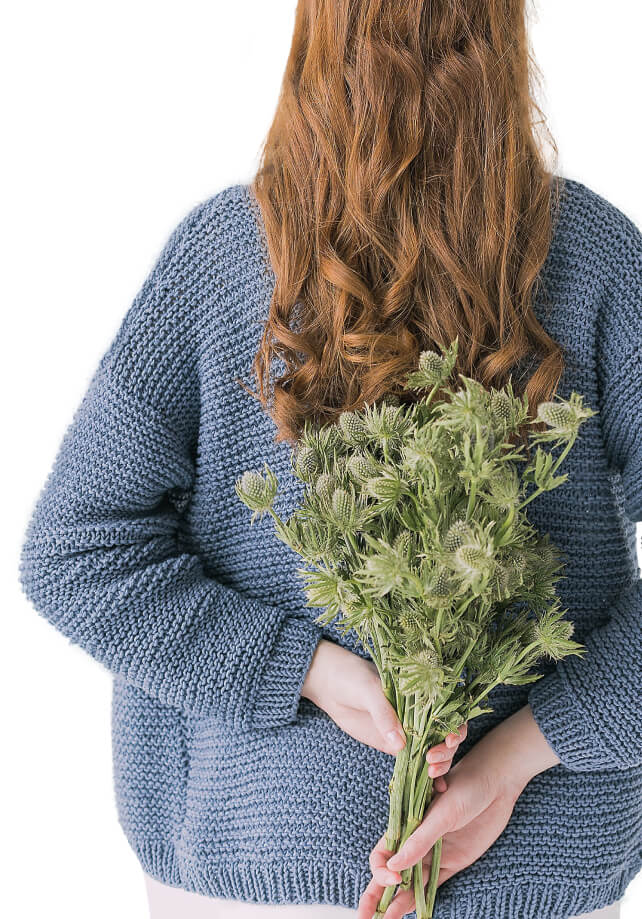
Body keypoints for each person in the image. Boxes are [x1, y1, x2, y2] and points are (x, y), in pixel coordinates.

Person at [18, 1, 640, 918]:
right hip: (540, 865)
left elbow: (75, 554)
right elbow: (72, 558)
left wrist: (309, 670)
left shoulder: (225, 258)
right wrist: (518, 755)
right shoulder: (597, 261)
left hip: (246, 856)